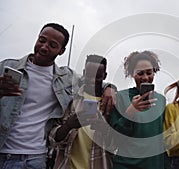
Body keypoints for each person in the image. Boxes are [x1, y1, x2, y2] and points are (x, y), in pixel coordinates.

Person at [0, 23, 115, 169]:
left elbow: (92, 81)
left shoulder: (66, 78)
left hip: (36, 157)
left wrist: (110, 88)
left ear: (61, 51)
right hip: (3, 151)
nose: (44, 47)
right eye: (42, 40)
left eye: (52, 45)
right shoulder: (6, 67)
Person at [48, 54, 117, 169]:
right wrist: (69, 125)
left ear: (105, 76)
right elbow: (53, 139)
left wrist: (104, 129)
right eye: (89, 76)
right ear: (84, 73)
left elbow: (115, 146)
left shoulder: (111, 105)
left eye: (97, 77)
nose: (92, 80)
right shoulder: (70, 100)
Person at [110, 51, 166, 169]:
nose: (145, 77)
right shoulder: (120, 97)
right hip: (126, 164)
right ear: (132, 74)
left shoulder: (161, 100)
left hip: (154, 164)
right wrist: (131, 111)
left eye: (149, 72)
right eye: (140, 73)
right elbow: (115, 136)